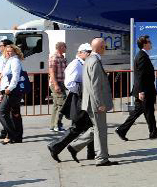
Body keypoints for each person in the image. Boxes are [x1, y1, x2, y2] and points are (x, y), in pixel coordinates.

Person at [68, 38, 117, 166]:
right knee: (100, 130)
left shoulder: (89, 60)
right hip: (96, 103)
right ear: (100, 47)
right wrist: (100, 103)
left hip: (91, 101)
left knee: (97, 128)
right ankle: (101, 159)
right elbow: (94, 85)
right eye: (104, 46)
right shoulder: (95, 61)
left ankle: (75, 146)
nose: (105, 49)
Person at [47, 44, 93, 162]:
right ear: (80, 52)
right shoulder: (75, 64)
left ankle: (91, 153)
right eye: (87, 51)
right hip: (79, 98)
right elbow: (70, 83)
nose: (89, 54)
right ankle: (56, 146)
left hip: (83, 97)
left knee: (89, 126)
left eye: (90, 52)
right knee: (80, 127)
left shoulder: (82, 63)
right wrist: (82, 91)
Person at [116, 35, 157, 141]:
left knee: (141, 112)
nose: (151, 43)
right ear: (145, 44)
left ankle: (122, 130)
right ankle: (153, 133)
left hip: (145, 89)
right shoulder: (142, 56)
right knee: (148, 112)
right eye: (149, 42)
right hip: (145, 90)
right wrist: (141, 91)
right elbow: (140, 75)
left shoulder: (143, 55)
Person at [0, 43, 24, 144]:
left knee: (1, 112)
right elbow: (5, 78)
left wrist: (10, 88)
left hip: (12, 91)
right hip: (9, 90)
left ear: (15, 52)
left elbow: (15, 76)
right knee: (15, 114)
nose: (8, 53)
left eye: (10, 51)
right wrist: (1, 92)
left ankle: (12, 134)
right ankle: (18, 137)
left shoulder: (15, 61)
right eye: (7, 51)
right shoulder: (10, 61)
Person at [48, 41, 68, 133]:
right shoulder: (54, 57)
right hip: (57, 83)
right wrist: (56, 85)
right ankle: (57, 125)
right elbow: (52, 72)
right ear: (60, 47)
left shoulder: (62, 57)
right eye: (64, 47)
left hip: (61, 82)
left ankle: (53, 125)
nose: (66, 48)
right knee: (62, 103)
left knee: (56, 105)